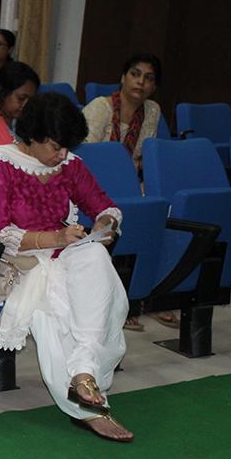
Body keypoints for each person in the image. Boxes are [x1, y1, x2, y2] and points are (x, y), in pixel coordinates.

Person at [0, 92, 132, 442]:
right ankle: (86, 405)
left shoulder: (68, 164)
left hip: (66, 250)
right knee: (57, 306)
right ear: (32, 136)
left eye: (66, 148)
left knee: (96, 260)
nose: (61, 155)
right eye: (56, 147)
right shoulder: (2, 163)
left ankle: (83, 374)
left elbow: (104, 205)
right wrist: (55, 238)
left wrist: (105, 226)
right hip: (24, 259)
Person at [82, 53, 169, 331]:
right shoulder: (100, 108)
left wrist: (142, 187)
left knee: (155, 210)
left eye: (149, 78)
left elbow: (146, 160)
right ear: (123, 77)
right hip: (92, 186)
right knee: (126, 213)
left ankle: (143, 297)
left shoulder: (152, 111)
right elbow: (80, 157)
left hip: (129, 186)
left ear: (154, 86)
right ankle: (115, 304)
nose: (140, 82)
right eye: (135, 74)